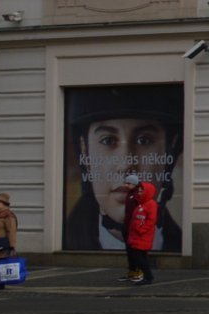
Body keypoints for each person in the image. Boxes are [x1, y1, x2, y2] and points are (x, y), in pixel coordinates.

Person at [62, 87, 184, 254]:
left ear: (171, 148)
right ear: (85, 151)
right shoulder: (67, 238)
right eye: (108, 140)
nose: (126, 164)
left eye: (144, 140)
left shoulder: (180, 243)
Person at [120, 174, 158, 286]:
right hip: (135, 235)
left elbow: (151, 220)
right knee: (138, 256)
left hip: (142, 235)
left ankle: (147, 276)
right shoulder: (141, 204)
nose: (139, 193)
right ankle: (145, 276)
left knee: (140, 257)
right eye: (139, 191)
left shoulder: (150, 204)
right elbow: (134, 218)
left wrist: (141, 230)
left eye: (141, 191)